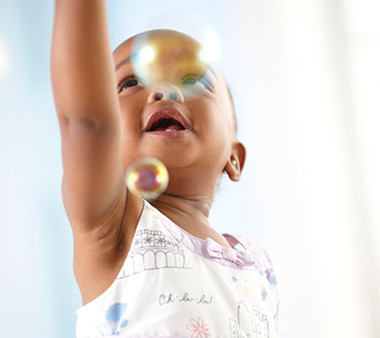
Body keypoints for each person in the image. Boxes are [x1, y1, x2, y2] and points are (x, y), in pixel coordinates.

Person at [51, 1, 280, 336]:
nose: (164, 90)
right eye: (130, 83)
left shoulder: (261, 269)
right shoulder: (115, 226)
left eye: (192, 79)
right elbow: (87, 122)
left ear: (234, 157)